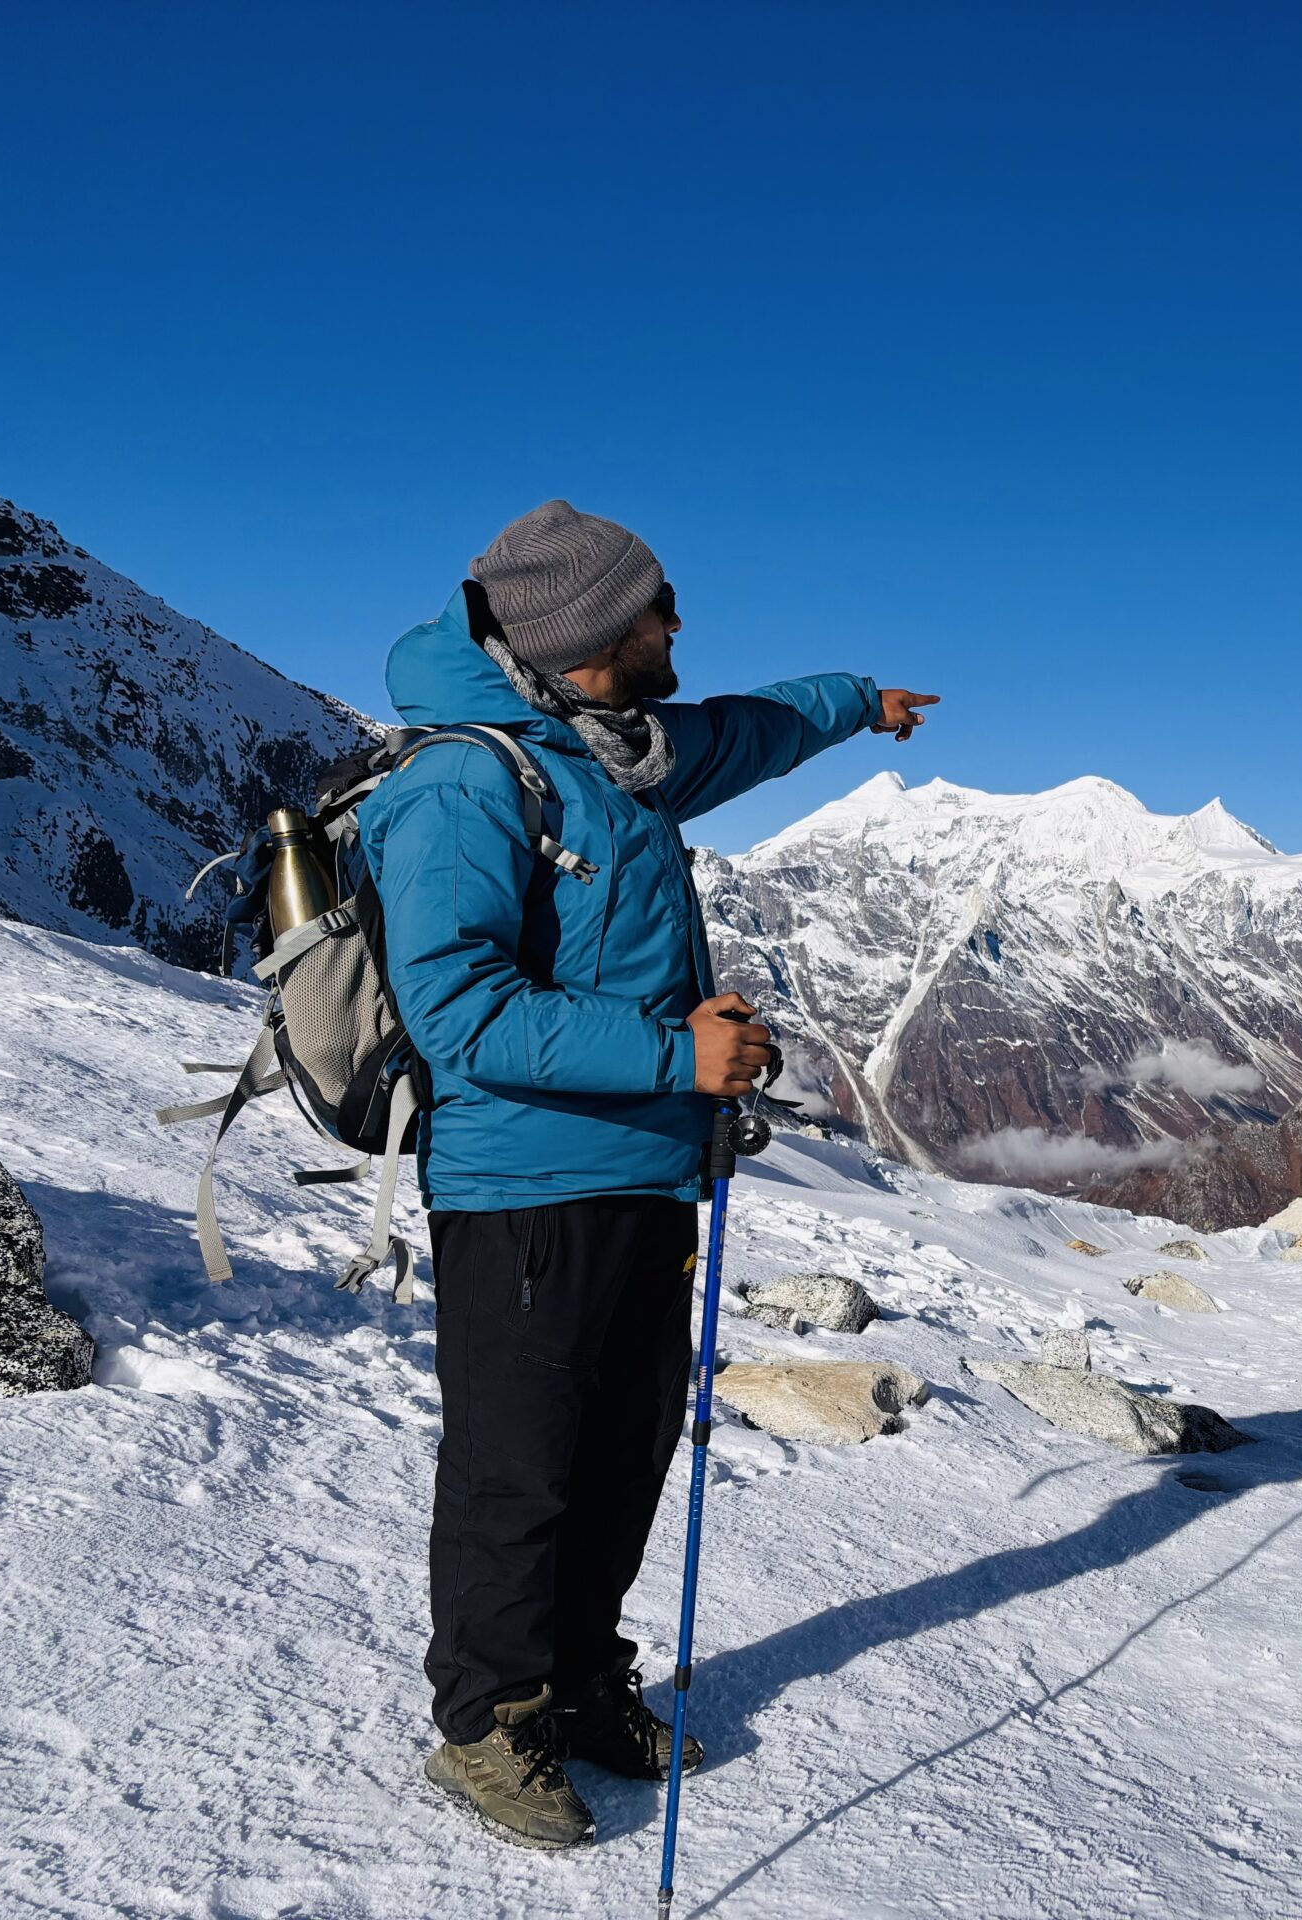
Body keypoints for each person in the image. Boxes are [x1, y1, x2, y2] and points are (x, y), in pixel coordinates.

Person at [355, 500, 935, 1848]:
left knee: (624, 1445)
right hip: (523, 1192)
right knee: (521, 1470)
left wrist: (858, 703)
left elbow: (749, 727)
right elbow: (459, 1012)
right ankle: (489, 1728)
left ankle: (576, 1680)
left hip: (641, 1178)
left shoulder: (621, 752)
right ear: (581, 642)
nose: (679, 625)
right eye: (656, 610)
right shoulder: (463, 786)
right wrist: (676, 1053)